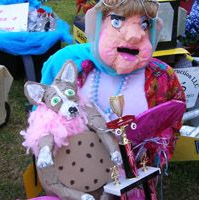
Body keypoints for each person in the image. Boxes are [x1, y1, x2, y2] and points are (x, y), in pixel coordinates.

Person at [40, 0, 185, 199]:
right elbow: (46, 121)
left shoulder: (162, 77)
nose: (136, 35)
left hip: (133, 179)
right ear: (98, 25)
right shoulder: (73, 70)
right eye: (117, 21)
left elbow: (172, 122)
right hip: (78, 180)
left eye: (144, 24)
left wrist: (153, 154)